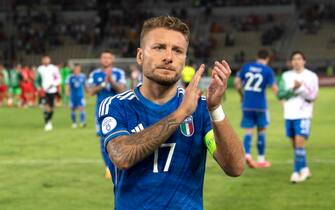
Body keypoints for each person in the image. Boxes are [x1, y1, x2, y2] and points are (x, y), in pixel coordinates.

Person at [98, 16, 244, 210]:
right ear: (140, 56)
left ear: (184, 60)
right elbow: (122, 155)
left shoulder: (201, 109)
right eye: (159, 47)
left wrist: (215, 109)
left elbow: (234, 167)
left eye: (177, 50)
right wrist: (181, 113)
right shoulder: (116, 105)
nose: (168, 57)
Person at [277, 51, 319, 183]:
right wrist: (294, 89)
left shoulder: (311, 76)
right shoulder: (286, 76)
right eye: (294, 59)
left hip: (303, 114)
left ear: (304, 61)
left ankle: (296, 173)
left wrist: (300, 88)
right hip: (289, 114)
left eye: (299, 59)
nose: (296, 61)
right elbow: (281, 94)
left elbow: (313, 96)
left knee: (300, 144)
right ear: (291, 62)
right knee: (295, 145)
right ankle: (305, 169)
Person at [234, 49, 278, 168]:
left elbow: (237, 83)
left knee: (248, 131)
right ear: (268, 58)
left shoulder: (246, 67)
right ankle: (261, 160)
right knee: (261, 132)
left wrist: (242, 95)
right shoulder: (267, 71)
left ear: (257, 56)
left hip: (247, 105)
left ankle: (247, 155)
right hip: (260, 106)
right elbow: (275, 89)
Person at [88, 50, 126, 179]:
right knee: (103, 140)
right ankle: (108, 167)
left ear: (112, 59)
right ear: (101, 59)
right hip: (101, 112)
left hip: (118, 110)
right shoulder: (95, 74)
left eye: (108, 57)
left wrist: (111, 81)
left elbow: (122, 90)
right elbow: (91, 92)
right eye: (104, 57)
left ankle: (121, 164)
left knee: (121, 138)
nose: (106, 60)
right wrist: (104, 83)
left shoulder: (119, 73)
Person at [36, 55, 61, 131]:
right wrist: (39, 87)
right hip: (44, 91)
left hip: (52, 90)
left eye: (47, 59)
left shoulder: (54, 68)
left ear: (49, 60)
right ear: (42, 61)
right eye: (44, 59)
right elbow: (37, 80)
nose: (46, 61)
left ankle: (49, 120)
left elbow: (58, 79)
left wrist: (53, 84)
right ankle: (47, 123)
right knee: (46, 106)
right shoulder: (40, 69)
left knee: (51, 108)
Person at [65, 64, 87, 128]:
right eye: (76, 69)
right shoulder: (70, 77)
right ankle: (74, 123)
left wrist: (88, 92)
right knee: (73, 109)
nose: (77, 70)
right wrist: (67, 92)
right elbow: (67, 85)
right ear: (74, 69)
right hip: (73, 96)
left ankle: (82, 123)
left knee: (82, 108)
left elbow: (85, 85)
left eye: (78, 69)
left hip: (80, 96)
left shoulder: (83, 76)